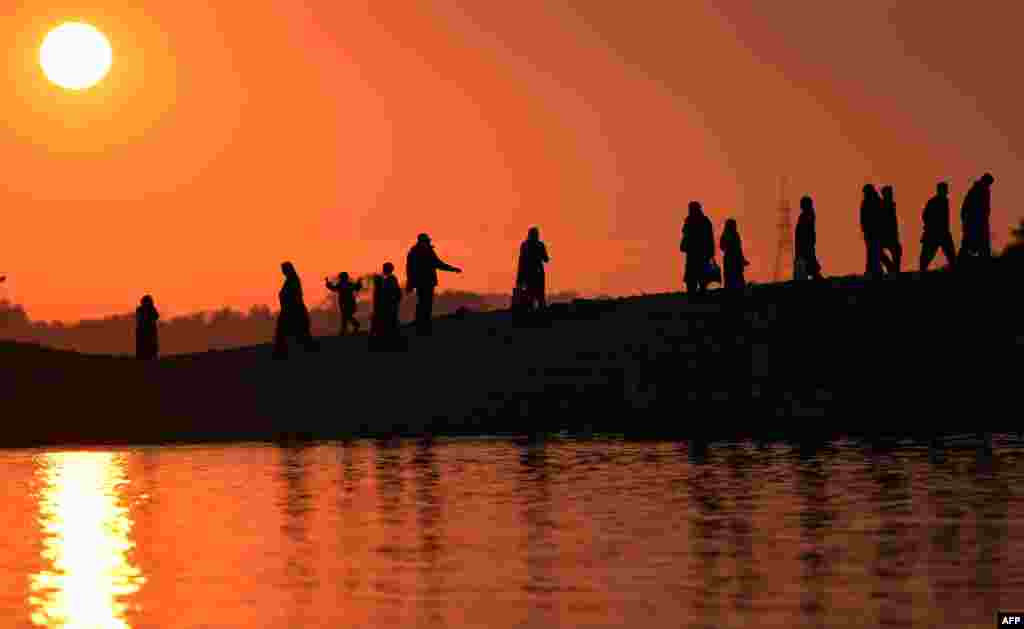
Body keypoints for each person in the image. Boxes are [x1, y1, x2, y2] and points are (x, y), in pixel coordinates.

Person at [405, 233, 462, 336]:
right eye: (427, 241)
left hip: (424, 282)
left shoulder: (418, 252)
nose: (428, 242)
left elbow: (437, 264)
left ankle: (423, 323)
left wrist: (452, 269)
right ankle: (422, 324)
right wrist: (453, 269)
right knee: (424, 303)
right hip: (424, 282)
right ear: (423, 241)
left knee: (424, 303)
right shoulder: (419, 252)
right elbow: (437, 264)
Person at [272, 261, 319, 359]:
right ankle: (281, 353)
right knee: (298, 333)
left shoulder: (293, 280)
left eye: (284, 269)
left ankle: (281, 354)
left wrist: (288, 305)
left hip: (293, 310)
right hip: (291, 310)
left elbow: (295, 295)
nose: (283, 271)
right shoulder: (291, 279)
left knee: (296, 333)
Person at [920, 181, 957, 272]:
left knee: (950, 254)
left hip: (941, 232)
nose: (946, 191)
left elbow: (925, 216)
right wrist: (931, 226)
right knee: (928, 254)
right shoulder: (935, 202)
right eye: (944, 189)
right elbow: (925, 216)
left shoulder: (943, 201)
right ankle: (921, 271)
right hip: (935, 233)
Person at [680, 201, 715, 295]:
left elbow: (685, 233)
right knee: (697, 277)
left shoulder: (693, 220)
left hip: (697, 253)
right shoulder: (704, 220)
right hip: (698, 253)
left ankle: (695, 296)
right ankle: (696, 295)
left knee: (696, 277)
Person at [960, 173, 994, 262]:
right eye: (989, 183)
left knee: (977, 243)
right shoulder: (978, 189)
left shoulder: (981, 189)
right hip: (975, 221)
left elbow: (965, 206)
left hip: (978, 221)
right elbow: (966, 205)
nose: (989, 185)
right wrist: (965, 219)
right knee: (971, 243)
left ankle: (984, 261)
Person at [370, 262, 403, 350]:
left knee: (388, 323)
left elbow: (392, 293)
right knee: (389, 324)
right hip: (388, 305)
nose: (383, 270)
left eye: (385, 268)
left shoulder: (388, 280)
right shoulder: (388, 279)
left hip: (388, 305)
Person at [516, 227, 550, 310]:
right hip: (538, 274)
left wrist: (519, 278)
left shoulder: (524, 245)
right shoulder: (540, 245)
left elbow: (521, 262)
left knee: (529, 296)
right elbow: (546, 259)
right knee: (539, 296)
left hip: (528, 273)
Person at [325, 272, 363, 336]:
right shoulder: (348, 284)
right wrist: (359, 282)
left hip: (347, 303)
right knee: (345, 317)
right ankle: (347, 329)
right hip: (347, 303)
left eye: (341, 278)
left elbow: (333, 288)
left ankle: (351, 327)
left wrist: (328, 283)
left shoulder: (344, 284)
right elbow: (357, 288)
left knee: (345, 317)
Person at [794, 196, 823, 280]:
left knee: (809, 260)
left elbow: (806, 231)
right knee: (809, 260)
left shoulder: (807, 215)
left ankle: (815, 276)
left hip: (805, 244)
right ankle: (815, 276)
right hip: (806, 243)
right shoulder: (808, 214)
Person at [860, 184, 884, 278]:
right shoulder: (875, 202)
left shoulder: (872, 202)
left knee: (874, 252)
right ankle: (874, 270)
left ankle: (874, 270)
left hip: (874, 232)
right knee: (873, 252)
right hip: (871, 232)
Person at [719, 218, 749, 290]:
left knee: (730, 278)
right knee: (737, 278)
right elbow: (738, 249)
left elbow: (722, 247)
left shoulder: (725, 234)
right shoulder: (735, 235)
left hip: (729, 258)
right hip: (734, 258)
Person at [878, 185, 902, 274]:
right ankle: (892, 268)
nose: (891, 195)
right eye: (889, 193)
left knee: (896, 252)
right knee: (880, 252)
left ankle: (894, 270)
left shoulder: (890, 205)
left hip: (892, 234)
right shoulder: (883, 205)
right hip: (886, 235)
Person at [135, 295, 160, 360]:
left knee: (149, 344)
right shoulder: (143, 309)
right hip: (145, 330)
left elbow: (156, 316)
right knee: (144, 345)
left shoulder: (144, 309)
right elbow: (156, 317)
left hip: (147, 330)